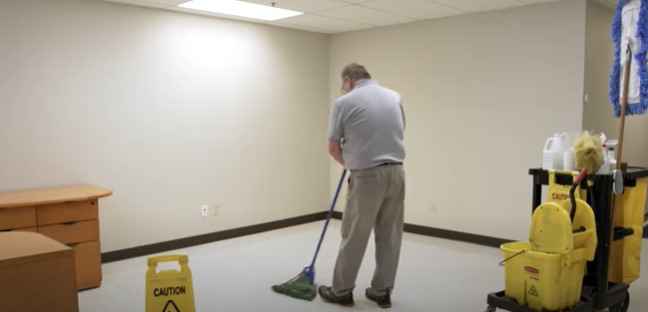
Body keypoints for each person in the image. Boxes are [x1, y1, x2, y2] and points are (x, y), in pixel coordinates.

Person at [319, 63, 406, 309]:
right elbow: (396, 132)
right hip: (397, 172)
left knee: (355, 234)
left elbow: (333, 147)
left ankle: (341, 291)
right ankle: (381, 291)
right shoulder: (394, 96)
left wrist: (351, 163)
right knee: (389, 235)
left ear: (348, 80)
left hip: (366, 176)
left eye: (343, 84)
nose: (343, 88)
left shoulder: (343, 102)